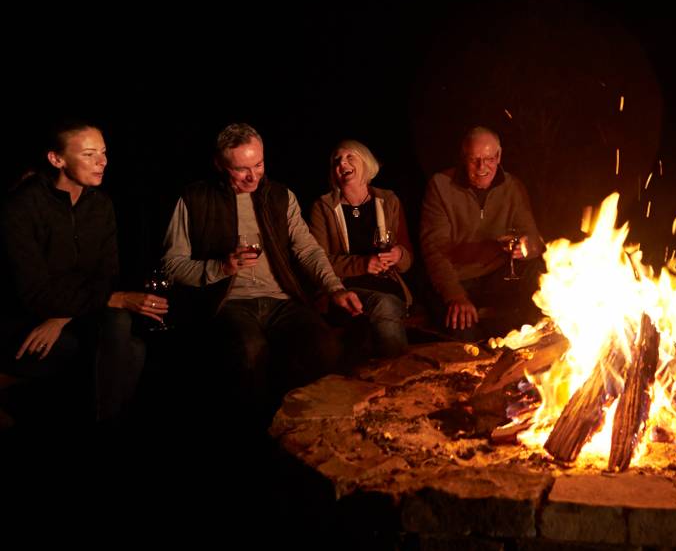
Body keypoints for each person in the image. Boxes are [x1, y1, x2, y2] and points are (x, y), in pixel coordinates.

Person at [162, 123, 362, 422]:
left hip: (281, 300)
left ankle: (318, 428)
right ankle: (258, 433)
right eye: (241, 169)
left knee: (325, 345)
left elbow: (307, 249)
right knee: (249, 350)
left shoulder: (280, 196)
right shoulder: (195, 199)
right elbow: (172, 265)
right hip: (228, 303)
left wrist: (335, 288)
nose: (253, 176)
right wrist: (221, 267)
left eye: (259, 164)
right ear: (219, 164)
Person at [1, 121, 158, 424]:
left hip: (72, 312)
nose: (102, 162)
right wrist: (113, 299)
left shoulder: (100, 204)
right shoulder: (22, 206)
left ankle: (101, 424)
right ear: (56, 159)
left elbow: (107, 274)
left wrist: (62, 317)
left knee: (124, 331)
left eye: (103, 152)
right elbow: (34, 292)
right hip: (25, 314)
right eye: (89, 154)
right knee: (129, 349)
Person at [420, 126, 545, 340]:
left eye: (488, 159)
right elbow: (434, 250)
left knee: (540, 276)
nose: (481, 167)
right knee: (466, 335)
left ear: (499, 156)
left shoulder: (512, 187)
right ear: (463, 158)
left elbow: (533, 239)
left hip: (499, 274)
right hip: (460, 278)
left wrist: (527, 247)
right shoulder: (440, 186)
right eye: (474, 160)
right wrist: (455, 295)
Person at [309, 140, 414, 361]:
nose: (342, 163)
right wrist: (362, 264)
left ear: (366, 163)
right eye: (337, 160)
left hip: (387, 284)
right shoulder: (323, 207)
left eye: (349, 157)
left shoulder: (389, 200)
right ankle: (399, 376)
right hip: (344, 290)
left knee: (383, 307)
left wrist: (398, 255)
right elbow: (317, 260)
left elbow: (407, 260)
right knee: (380, 310)